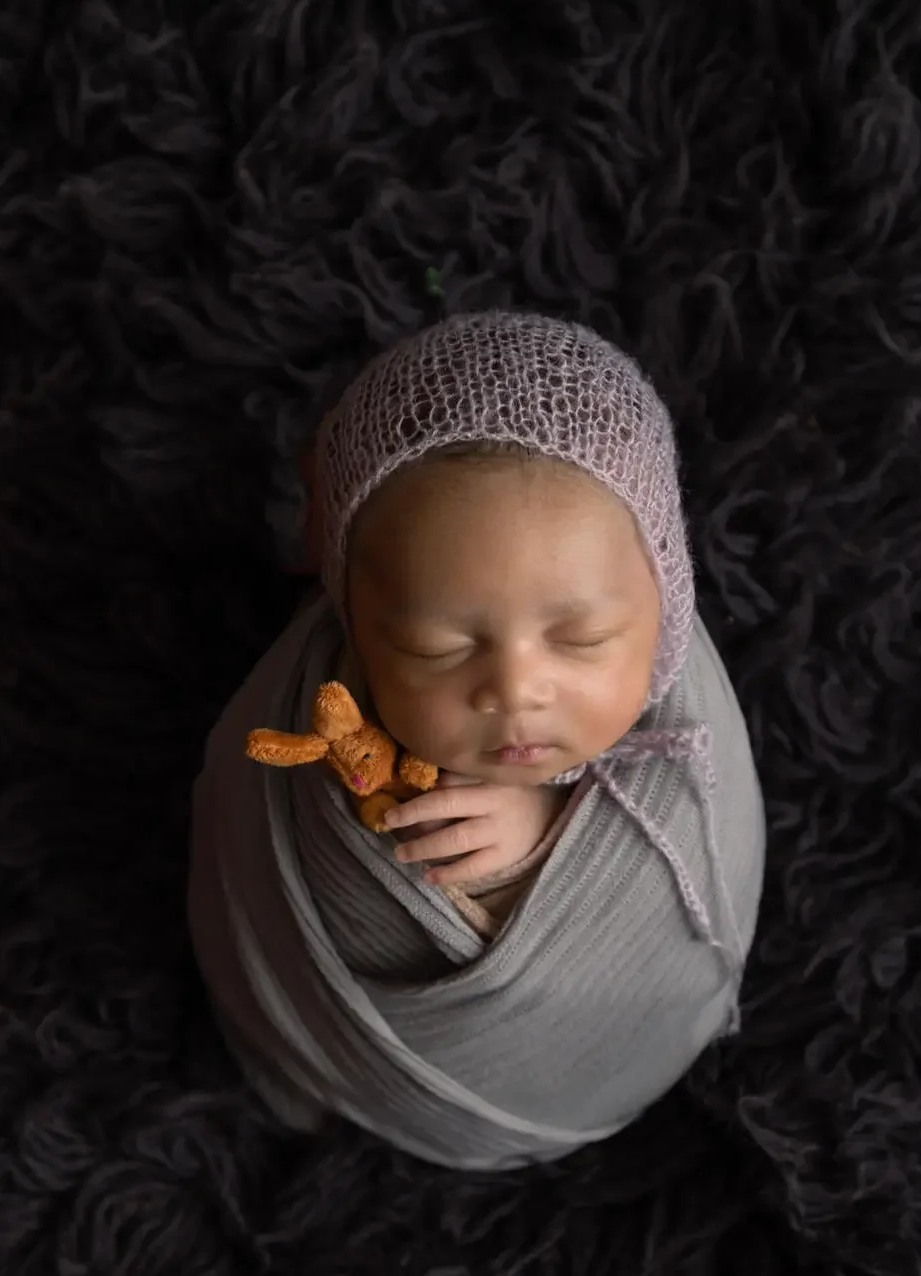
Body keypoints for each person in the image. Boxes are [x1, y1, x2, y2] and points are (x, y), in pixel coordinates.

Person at [188, 311, 766, 1170]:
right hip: (374, 1057)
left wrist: (543, 838)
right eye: (435, 648)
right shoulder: (312, 716)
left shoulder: (683, 715)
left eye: (582, 638)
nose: (514, 690)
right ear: (354, 618)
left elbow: (673, 883)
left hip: (580, 1051)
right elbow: (267, 876)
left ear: (663, 590)